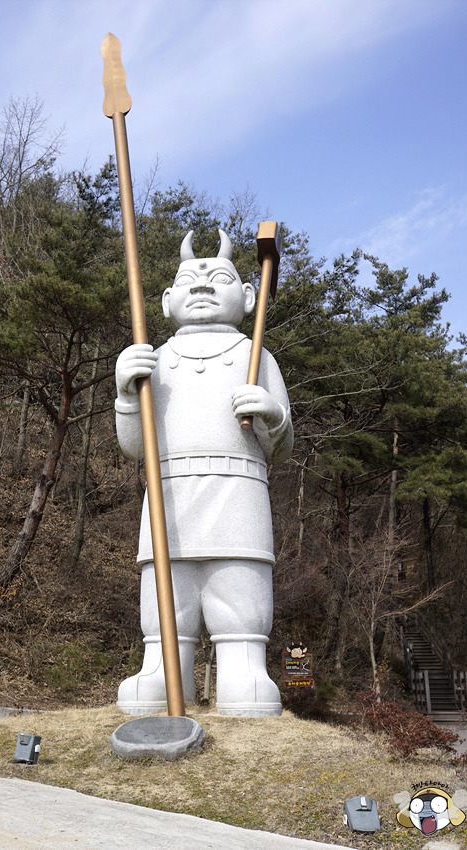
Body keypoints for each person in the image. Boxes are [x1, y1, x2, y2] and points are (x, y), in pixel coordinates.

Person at [115, 229, 293, 716]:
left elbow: (281, 446)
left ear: (249, 294)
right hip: (170, 492)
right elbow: (133, 446)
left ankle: (244, 667)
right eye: (188, 281)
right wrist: (126, 394)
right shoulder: (156, 359)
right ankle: (162, 667)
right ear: (168, 300)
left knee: (238, 583)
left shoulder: (255, 356)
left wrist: (272, 414)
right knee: (168, 594)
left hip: (237, 492)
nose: (201, 287)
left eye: (218, 278)